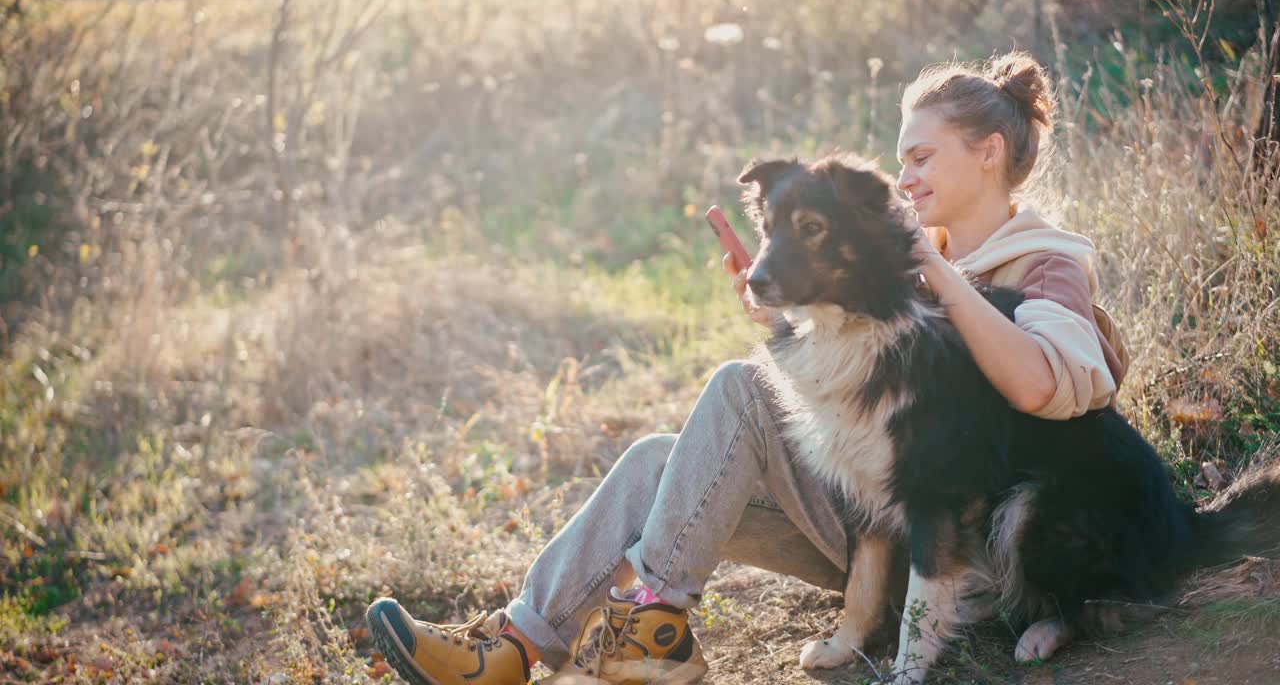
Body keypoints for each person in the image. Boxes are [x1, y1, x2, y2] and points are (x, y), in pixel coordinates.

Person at [364, 51, 1128, 685]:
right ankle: (515, 647)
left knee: (736, 385)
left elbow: (1040, 385)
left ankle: (654, 623)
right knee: (651, 461)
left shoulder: (1043, 263)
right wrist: (791, 309)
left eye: (922, 157)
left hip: (977, 553)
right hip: (870, 518)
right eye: (901, 160)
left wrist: (939, 275)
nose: (907, 179)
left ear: (988, 153)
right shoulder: (903, 256)